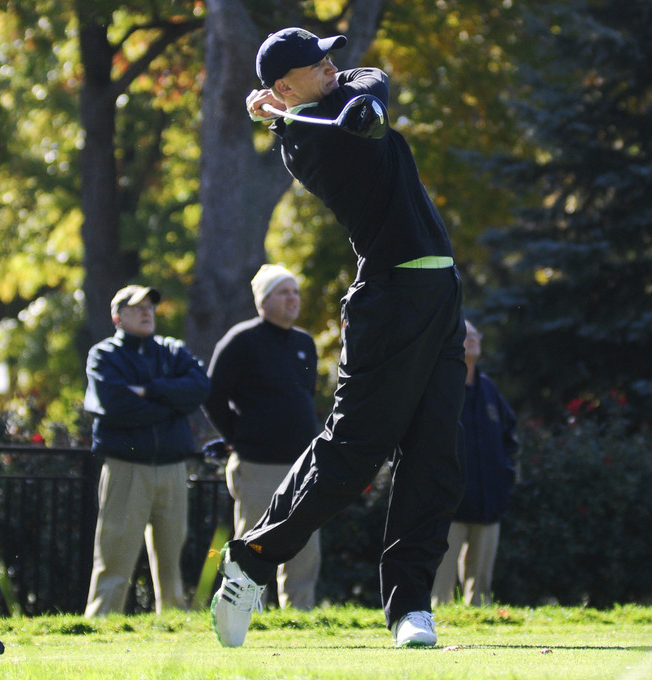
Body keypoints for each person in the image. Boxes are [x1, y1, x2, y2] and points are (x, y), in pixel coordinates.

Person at [211, 27, 467, 648]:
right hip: (390, 300)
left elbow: (371, 77)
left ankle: (411, 607)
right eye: (314, 64)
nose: (330, 66)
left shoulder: (348, 103)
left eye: (328, 58)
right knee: (354, 451)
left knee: (436, 455)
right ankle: (251, 559)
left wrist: (362, 106)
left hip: (439, 293)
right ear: (284, 86)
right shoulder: (309, 143)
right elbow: (340, 106)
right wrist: (303, 116)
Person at [83, 284, 209, 617]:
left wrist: (149, 390)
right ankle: (100, 626)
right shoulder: (104, 355)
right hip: (127, 468)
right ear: (117, 316)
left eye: (150, 307)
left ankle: (171, 625)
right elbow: (114, 404)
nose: (146, 313)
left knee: (172, 560)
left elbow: (200, 387)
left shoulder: (172, 351)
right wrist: (172, 405)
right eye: (137, 307)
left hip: (172, 468)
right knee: (115, 556)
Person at [203, 264, 322, 611]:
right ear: (262, 301)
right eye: (283, 292)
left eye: (295, 292)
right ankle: (246, 612)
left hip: (303, 464)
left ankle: (300, 614)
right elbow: (212, 395)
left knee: (306, 543)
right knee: (254, 544)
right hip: (257, 463)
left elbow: (306, 395)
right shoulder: (242, 339)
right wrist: (237, 436)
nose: (292, 298)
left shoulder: (305, 343)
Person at [431, 320, 519, 607]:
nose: (471, 340)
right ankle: (434, 628)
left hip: (488, 505)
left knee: (481, 592)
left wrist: (506, 475)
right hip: (448, 506)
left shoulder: (489, 389)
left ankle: (479, 627)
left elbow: (510, 436)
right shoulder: (440, 385)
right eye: (464, 335)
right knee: (439, 592)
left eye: (475, 335)